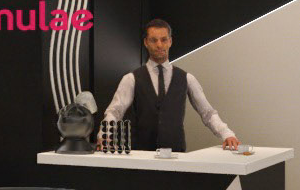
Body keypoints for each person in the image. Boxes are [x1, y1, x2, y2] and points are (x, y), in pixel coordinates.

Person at [102, 18, 239, 152]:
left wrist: (227, 134)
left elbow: (207, 113)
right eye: (154, 40)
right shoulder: (131, 79)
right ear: (146, 42)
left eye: (163, 40)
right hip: (142, 155)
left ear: (170, 41)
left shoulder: (187, 78)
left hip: (176, 155)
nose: (159, 45)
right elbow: (114, 111)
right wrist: (105, 136)